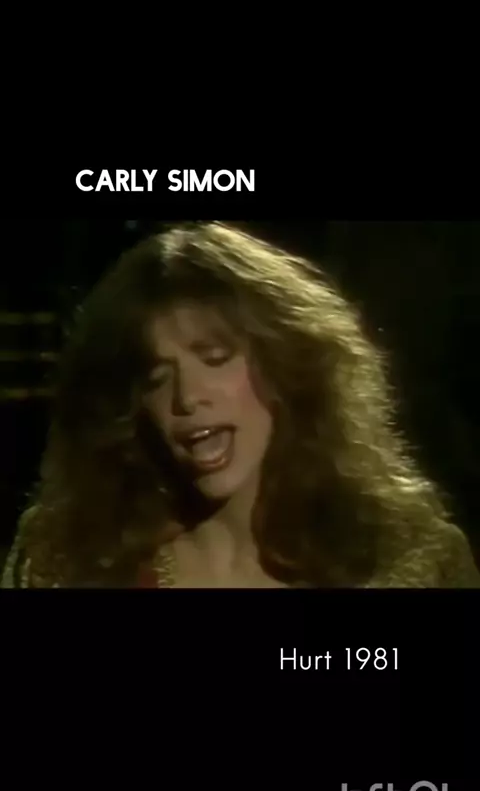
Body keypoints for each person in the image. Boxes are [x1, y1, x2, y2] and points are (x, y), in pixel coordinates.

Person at [2, 221, 479, 588]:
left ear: (285, 363)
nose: (187, 398)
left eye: (215, 359)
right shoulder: (66, 560)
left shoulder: (410, 561)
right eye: (156, 378)